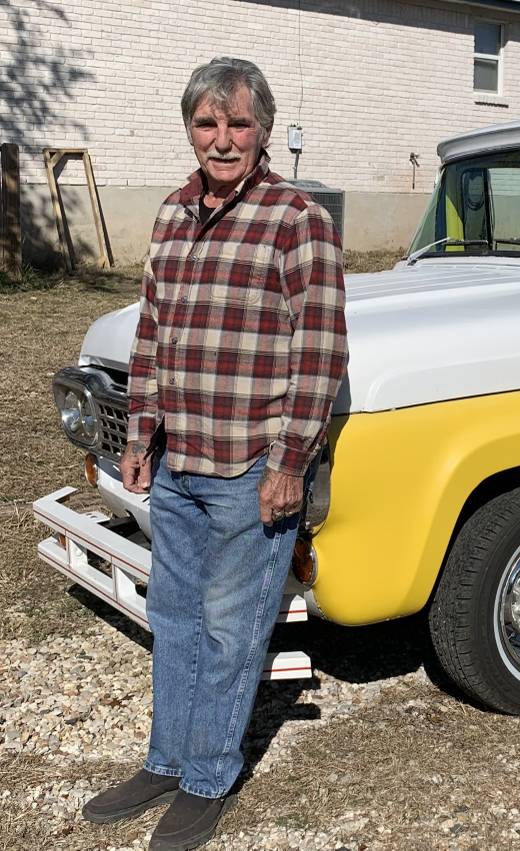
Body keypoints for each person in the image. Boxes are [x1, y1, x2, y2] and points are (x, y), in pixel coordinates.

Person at [81, 57, 347, 850]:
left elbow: (321, 351)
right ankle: (166, 758)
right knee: (174, 617)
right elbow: (153, 335)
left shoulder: (297, 218)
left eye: (238, 124)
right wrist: (140, 439)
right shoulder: (171, 214)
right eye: (207, 123)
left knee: (231, 631)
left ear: (262, 130)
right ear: (190, 129)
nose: (222, 140)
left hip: (250, 473)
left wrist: (291, 463)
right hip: (178, 466)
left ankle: (206, 779)